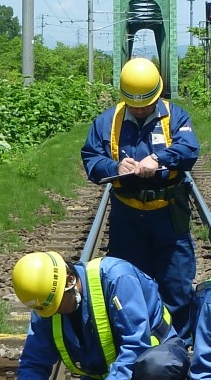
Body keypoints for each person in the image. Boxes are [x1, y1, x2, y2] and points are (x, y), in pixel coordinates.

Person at [11, 250, 189, 380]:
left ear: (69, 281)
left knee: (158, 365)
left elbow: (136, 344)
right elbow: (33, 360)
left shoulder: (117, 277)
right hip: (106, 376)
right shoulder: (47, 305)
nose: (54, 313)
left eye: (57, 306)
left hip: (150, 359)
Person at [80, 57, 200, 341]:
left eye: (146, 103)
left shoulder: (176, 117)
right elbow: (91, 158)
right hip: (128, 217)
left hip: (169, 215)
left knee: (177, 285)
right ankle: (135, 343)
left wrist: (158, 159)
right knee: (127, 283)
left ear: (157, 94)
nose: (140, 108)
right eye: (133, 104)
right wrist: (115, 168)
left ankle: (177, 344)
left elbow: (189, 150)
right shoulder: (107, 121)